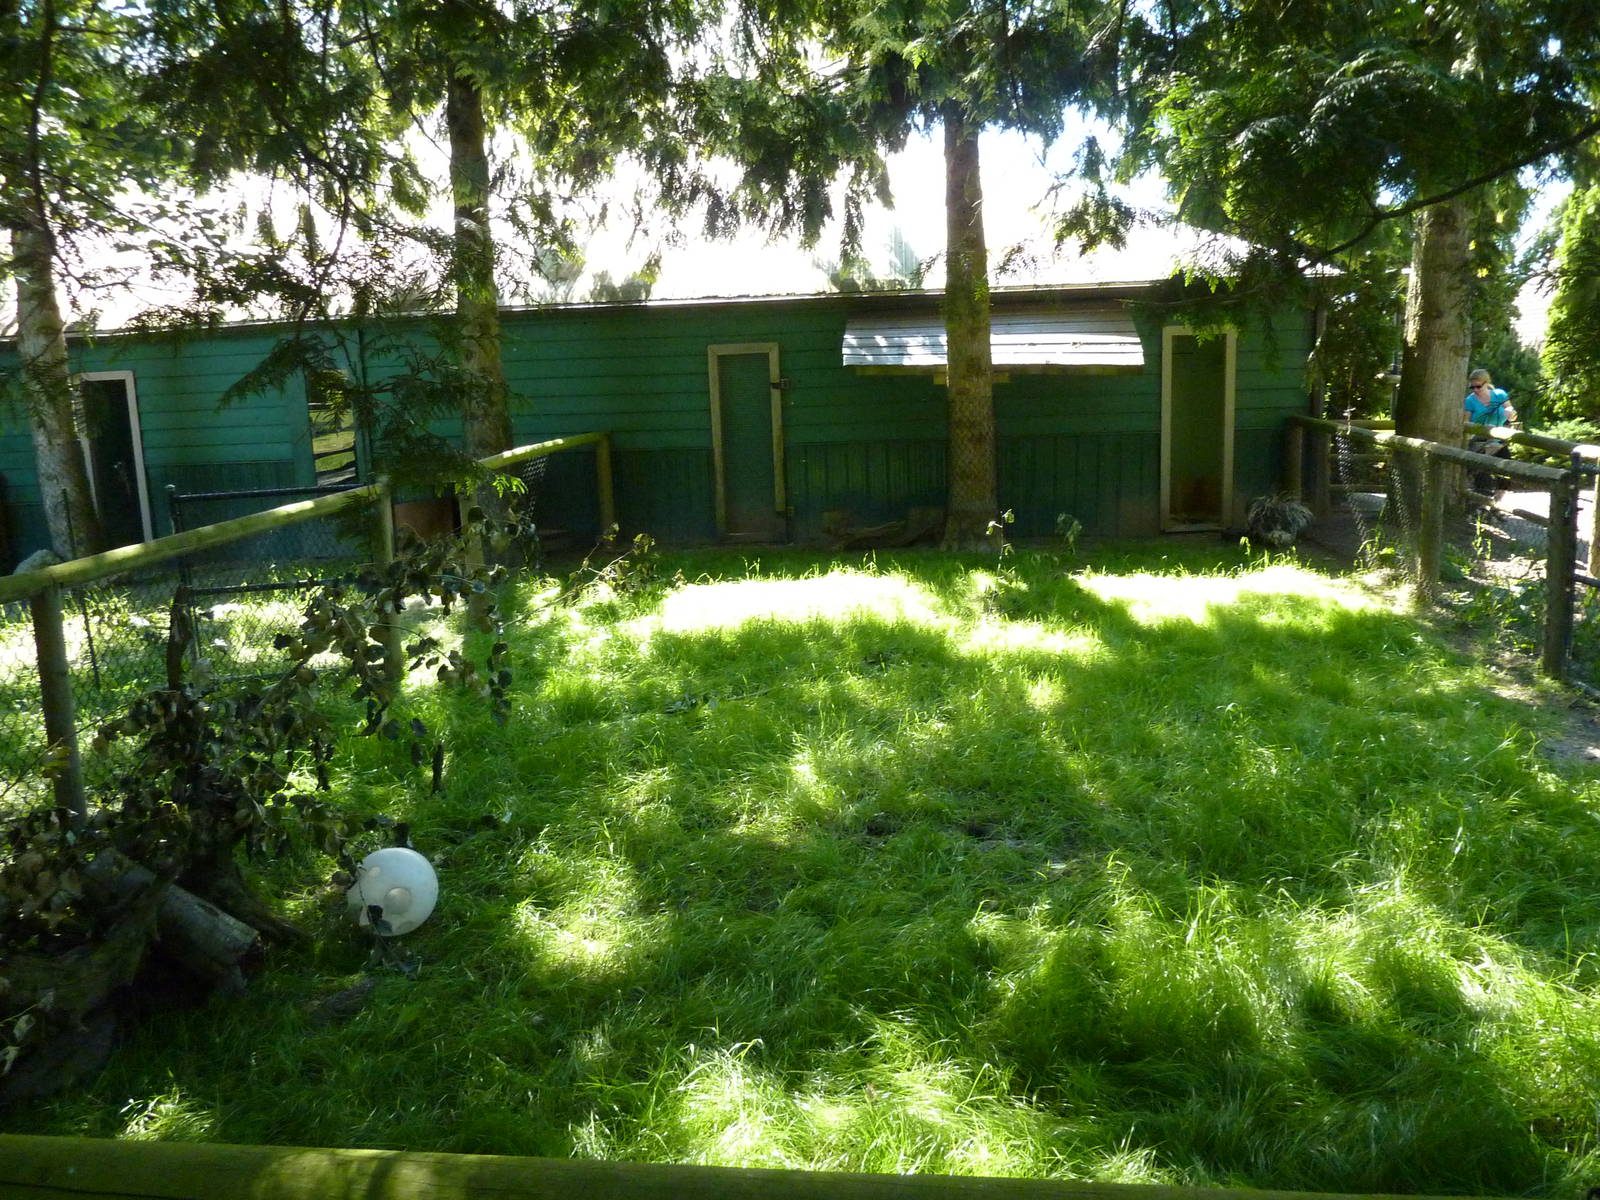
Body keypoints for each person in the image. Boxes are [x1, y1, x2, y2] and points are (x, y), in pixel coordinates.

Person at [1463, 368, 1517, 494]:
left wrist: (1511, 412)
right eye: (1472, 387)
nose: (1475, 390)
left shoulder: (1499, 395)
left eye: (1478, 386)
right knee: (1481, 473)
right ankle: (1482, 502)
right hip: (1480, 441)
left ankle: (1499, 498)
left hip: (1499, 439)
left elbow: (1511, 412)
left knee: (1506, 467)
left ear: (1486, 383)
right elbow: (1465, 422)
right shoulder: (1470, 401)